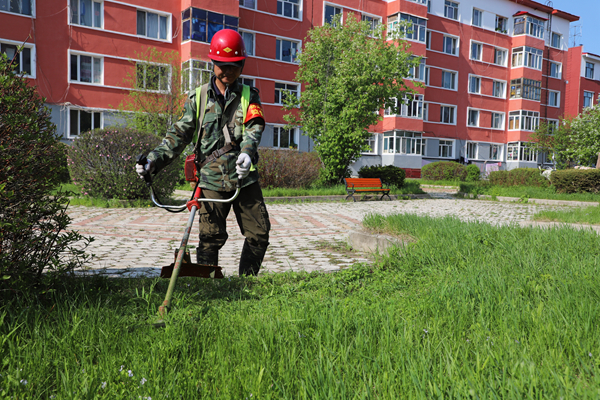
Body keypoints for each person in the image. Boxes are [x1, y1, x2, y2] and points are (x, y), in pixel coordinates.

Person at [136, 29, 270, 276]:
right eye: (222, 66)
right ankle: (209, 286)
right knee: (210, 238)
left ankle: (247, 281)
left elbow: (254, 128)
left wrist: (247, 153)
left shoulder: (249, 96)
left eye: (234, 66)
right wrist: (153, 160)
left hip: (244, 178)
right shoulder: (197, 97)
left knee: (259, 233)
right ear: (213, 63)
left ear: (242, 65)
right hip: (210, 181)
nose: (228, 71)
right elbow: (178, 135)